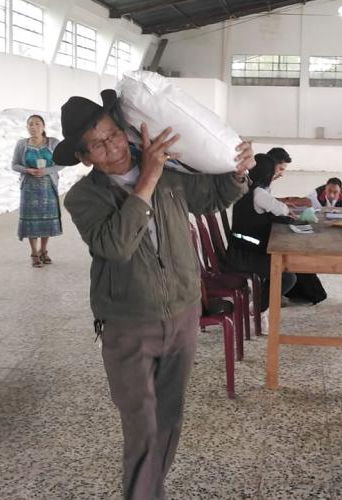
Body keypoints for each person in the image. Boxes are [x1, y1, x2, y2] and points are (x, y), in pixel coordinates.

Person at [59, 89, 254, 500]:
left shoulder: (169, 173)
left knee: (168, 417)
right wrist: (147, 178)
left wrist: (237, 172)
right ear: (84, 157)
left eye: (113, 133)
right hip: (129, 322)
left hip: (182, 311)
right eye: (98, 144)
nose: (113, 146)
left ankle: (149, 491)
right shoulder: (83, 198)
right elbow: (114, 246)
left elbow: (213, 197)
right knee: (141, 424)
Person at [227, 154, 298, 312]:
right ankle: (257, 310)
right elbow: (281, 209)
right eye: (273, 172)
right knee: (288, 276)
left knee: (282, 265)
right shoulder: (258, 193)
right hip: (243, 255)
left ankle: (259, 305)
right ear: (267, 174)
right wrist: (288, 211)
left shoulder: (247, 188)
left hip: (239, 250)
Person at [11, 114, 64, 267]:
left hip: (48, 187)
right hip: (29, 188)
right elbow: (14, 165)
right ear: (27, 127)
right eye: (30, 124)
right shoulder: (22, 144)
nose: (33, 127)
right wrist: (27, 170)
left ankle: (44, 251)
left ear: (43, 126)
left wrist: (46, 171)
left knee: (47, 219)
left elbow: (61, 163)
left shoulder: (53, 142)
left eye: (37, 124)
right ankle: (34, 253)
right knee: (31, 222)